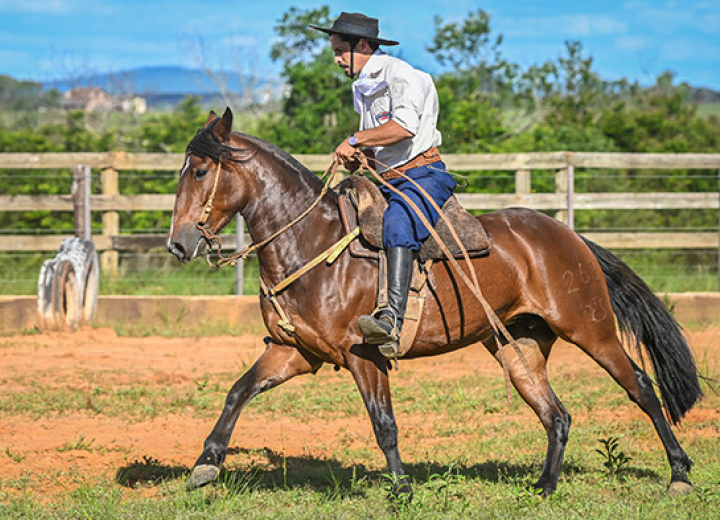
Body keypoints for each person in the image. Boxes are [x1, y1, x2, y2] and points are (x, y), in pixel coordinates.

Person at [310, 12, 456, 353]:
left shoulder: (401, 75)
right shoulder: (362, 84)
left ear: (362, 45)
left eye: (340, 50)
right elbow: (383, 144)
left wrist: (356, 140)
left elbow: (404, 128)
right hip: (389, 178)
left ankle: (392, 318)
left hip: (422, 176)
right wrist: (363, 158)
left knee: (397, 221)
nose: (336, 58)